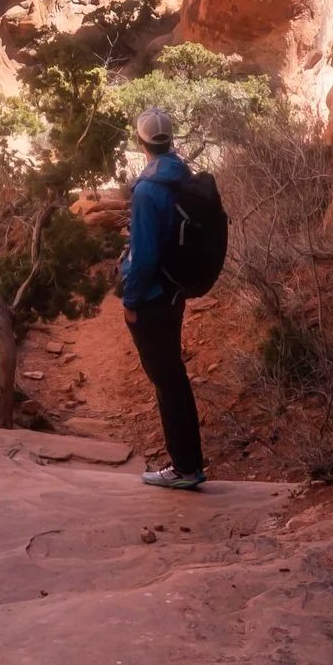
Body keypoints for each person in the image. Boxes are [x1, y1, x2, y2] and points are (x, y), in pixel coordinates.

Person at [119, 101, 205, 489]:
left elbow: (145, 255)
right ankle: (188, 463)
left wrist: (130, 301)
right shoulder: (179, 173)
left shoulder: (148, 189)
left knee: (166, 380)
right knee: (174, 376)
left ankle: (185, 468)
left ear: (141, 142)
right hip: (174, 289)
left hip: (153, 296)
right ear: (169, 139)